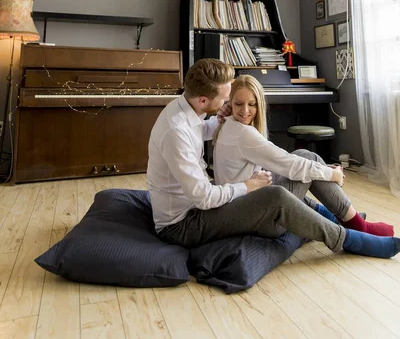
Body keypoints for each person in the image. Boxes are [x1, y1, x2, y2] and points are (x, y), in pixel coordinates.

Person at [147, 59, 400, 259]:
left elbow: (200, 130)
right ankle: (350, 240)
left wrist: (220, 119)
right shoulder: (176, 132)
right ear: (203, 100)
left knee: (303, 158)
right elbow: (203, 197)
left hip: (197, 206)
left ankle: (352, 222)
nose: (228, 103)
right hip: (183, 225)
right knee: (276, 196)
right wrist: (247, 186)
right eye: (225, 99)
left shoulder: (185, 110)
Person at [213, 74, 394, 237]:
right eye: (239, 103)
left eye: (251, 104)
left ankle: (348, 219)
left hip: (245, 207)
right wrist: (332, 174)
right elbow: (290, 166)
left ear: (259, 104)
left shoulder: (227, 125)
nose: (245, 110)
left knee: (304, 156)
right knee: (309, 162)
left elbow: (277, 160)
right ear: (230, 102)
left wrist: (322, 170)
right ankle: (358, 226)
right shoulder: (244, 134)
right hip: (258, 218)